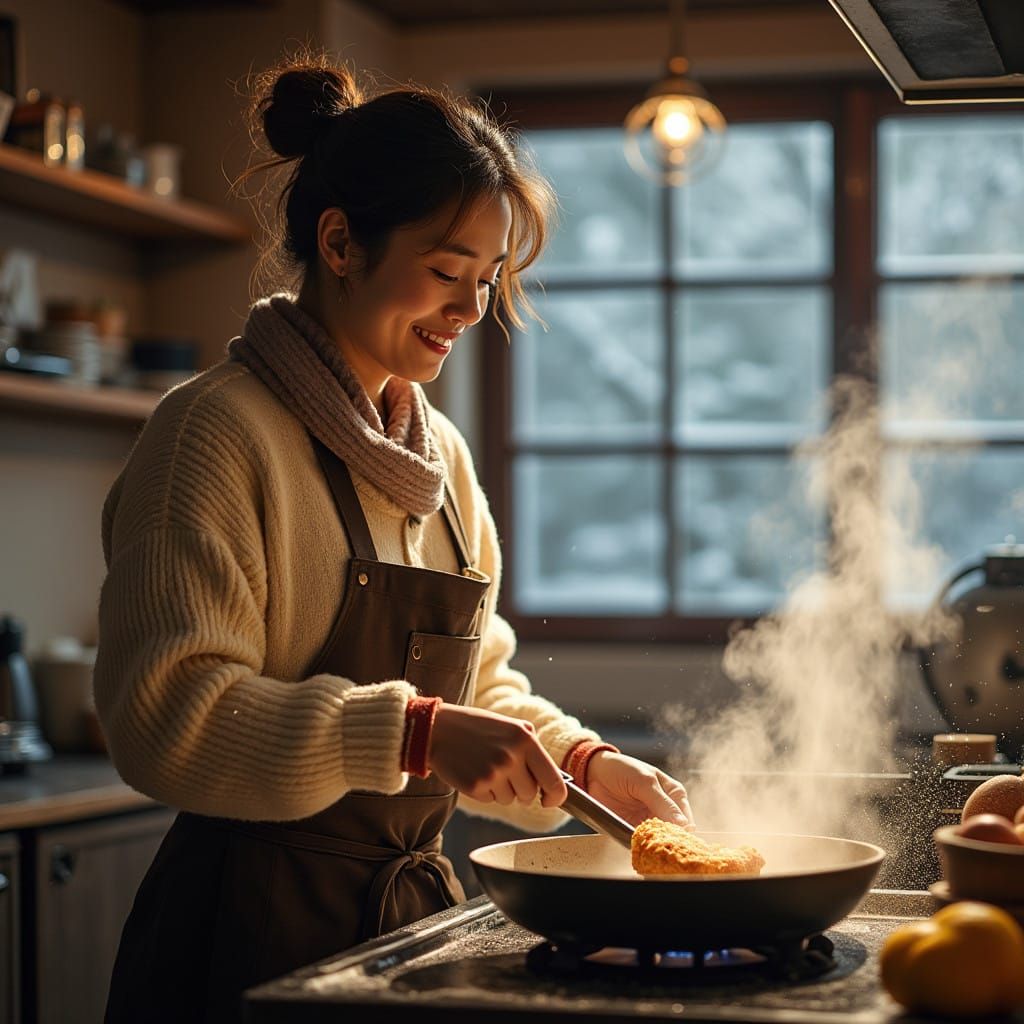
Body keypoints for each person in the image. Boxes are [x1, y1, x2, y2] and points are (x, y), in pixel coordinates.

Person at [95, 53, 694, 1023]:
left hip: (395, 934)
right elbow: (168, 718)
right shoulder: (212, 435)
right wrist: (412, 732)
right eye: (448, 271)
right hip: (239, 936)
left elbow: (479, 691)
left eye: (489, 279)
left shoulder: (439, 457)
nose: (472, 310)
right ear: (339, 243)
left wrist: (587, 765)